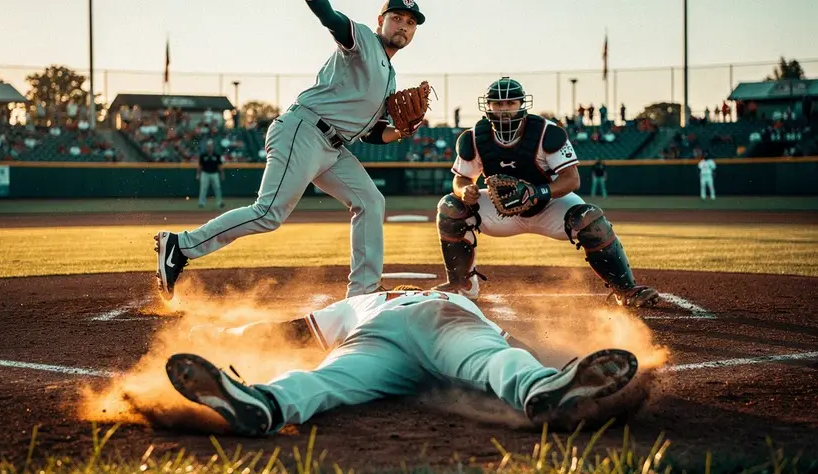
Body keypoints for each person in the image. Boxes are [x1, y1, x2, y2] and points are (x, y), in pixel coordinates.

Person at [154, 0, 428, 301]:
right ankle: (181, 245)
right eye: (397, 17)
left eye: (411, 22)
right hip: (305, 130)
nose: (403, 25)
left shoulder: (390, 77)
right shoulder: (362, 39)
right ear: (381, 20)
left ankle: (363, 292)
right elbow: (329, 16)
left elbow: (372, 134)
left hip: (333, 149)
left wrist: (400, 131)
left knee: (371, 201)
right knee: (269, 212)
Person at [166, 286, 639, 436]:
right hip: (442, 323)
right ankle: (540, 389)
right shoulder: (453, 298)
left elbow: (288, 329)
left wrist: (222, 333)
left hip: (376, 338)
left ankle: (268, 402)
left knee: (326, 379)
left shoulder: (363, 300)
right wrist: (545, 367)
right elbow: (505, 346)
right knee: (495, 362)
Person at [430, 77, 659, 308]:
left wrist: (536, 192)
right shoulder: (474, 137)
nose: (504, 109)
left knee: (589, 218)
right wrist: (464, 190)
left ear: (521, 104)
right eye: (498, 104)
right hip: (502, 211)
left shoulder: (546, 132)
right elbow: (461, 179)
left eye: (510, 103)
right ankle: (462, 284)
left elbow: (572, 179)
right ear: (488, 106)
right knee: (450, 206)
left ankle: (626, 289)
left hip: (548, 204)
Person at [197, 140, 225, 209]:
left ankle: (220, 202)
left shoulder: (216, 155)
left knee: (217, 188)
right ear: (206, 147)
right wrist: (198, 174)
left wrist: (222, 174)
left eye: (211, 146)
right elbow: (200, 166)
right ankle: (201, 203)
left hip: (214, 173)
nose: (209, 148)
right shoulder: (203, 155)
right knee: (203, 188)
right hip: (205, 173)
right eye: (208, 146)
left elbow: (219, 166)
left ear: (213, 147)